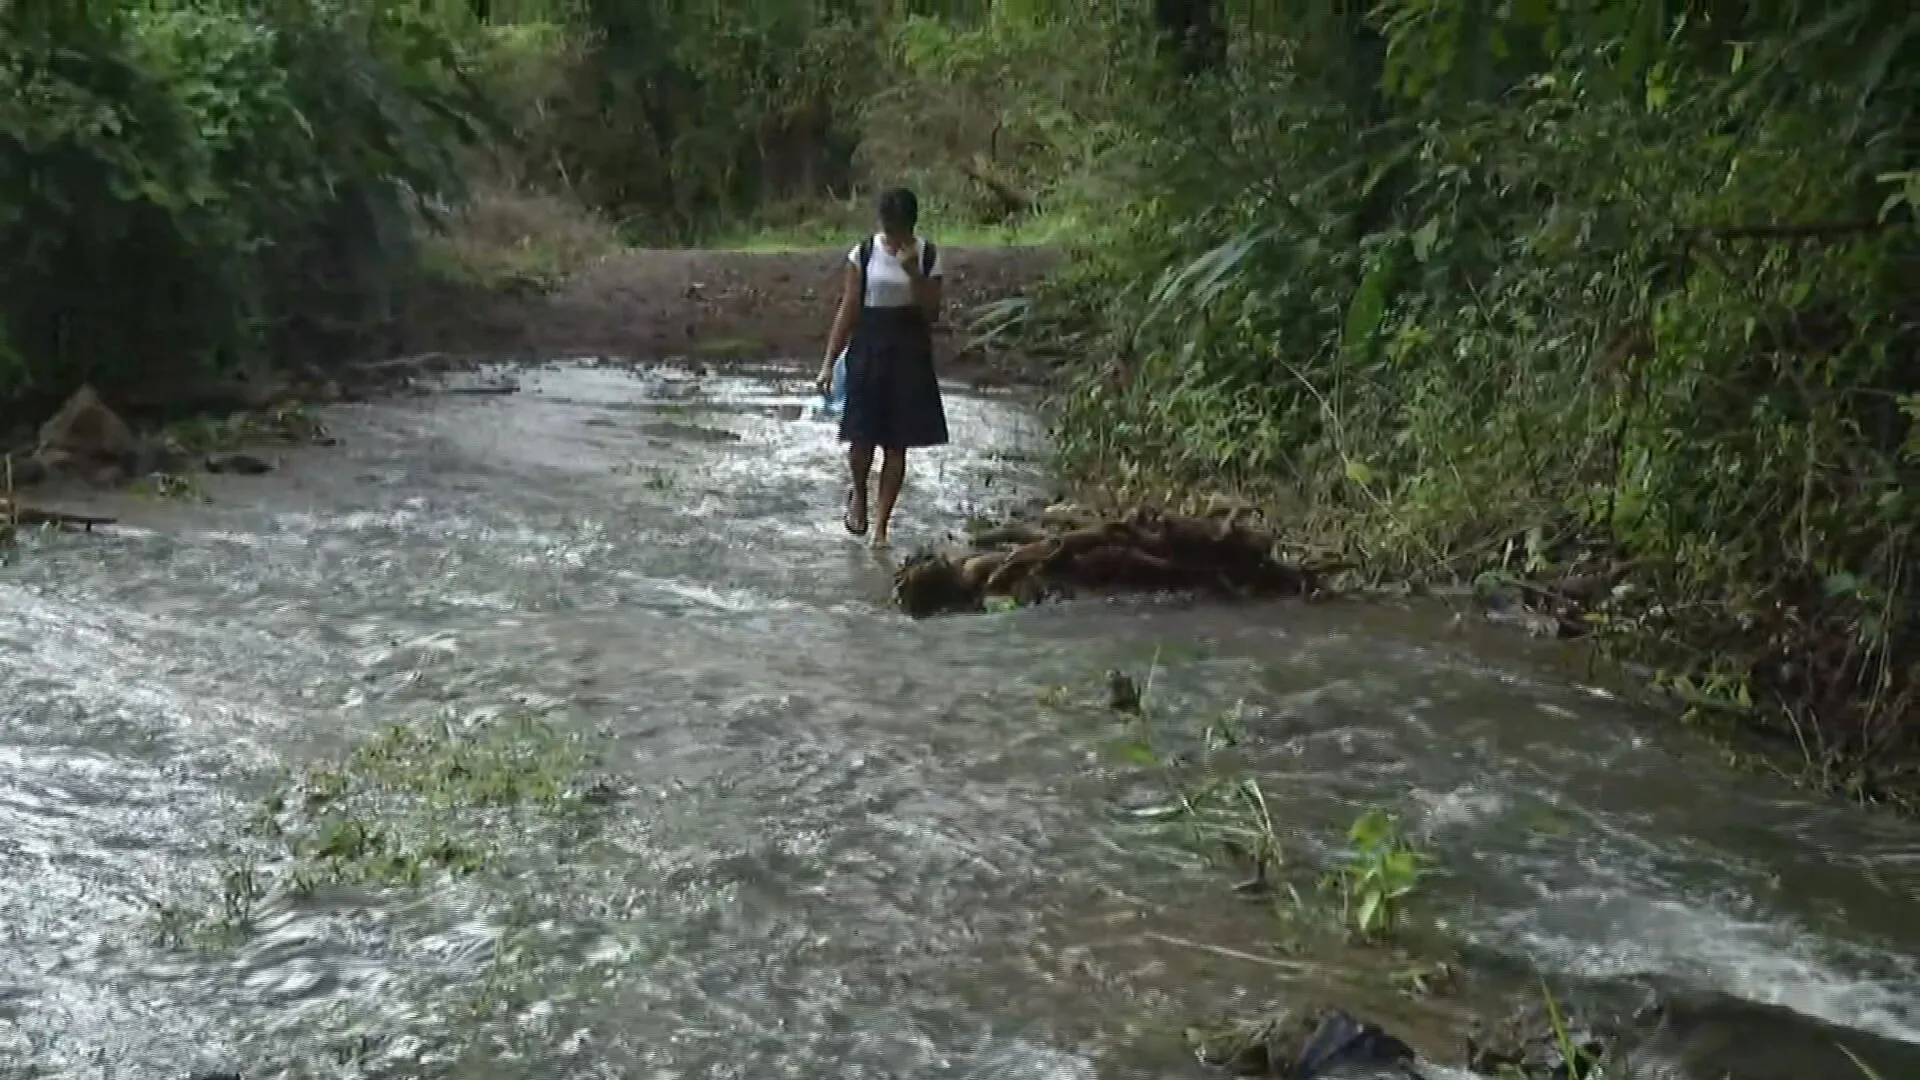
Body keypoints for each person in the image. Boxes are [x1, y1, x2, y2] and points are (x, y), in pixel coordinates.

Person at [815, 187, 948, 548]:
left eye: (900, 228)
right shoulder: (864, 253)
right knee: (861, 435)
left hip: (909, 349)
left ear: (912, 224)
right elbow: (849, 307)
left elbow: (932, 312)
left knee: (896, 442)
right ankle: (858, 493)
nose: (894, 236)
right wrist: (828, 363)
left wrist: (912, 273)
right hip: (869, 344)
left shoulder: (928, 256)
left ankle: (882, 526)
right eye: (889, 228)